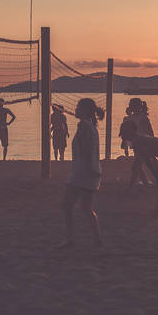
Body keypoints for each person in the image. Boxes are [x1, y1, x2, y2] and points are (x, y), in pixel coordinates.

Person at [58, 98, 104, 248]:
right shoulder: (91, 126)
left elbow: (86, 150)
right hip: (91, 172)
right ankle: (97, 239)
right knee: (86, 208)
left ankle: (70, 240)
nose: (76, 109)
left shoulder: (84, 125)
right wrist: (93, 171)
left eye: (79, 107)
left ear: (85, 110)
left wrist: (89, 170)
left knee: (67, 205)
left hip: (82, 173)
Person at [120, 120, 158, 221]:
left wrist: (156, 174)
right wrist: (156, 173)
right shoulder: (138, 139)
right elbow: (149, 156)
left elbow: (147, 159)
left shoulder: (137, 141)